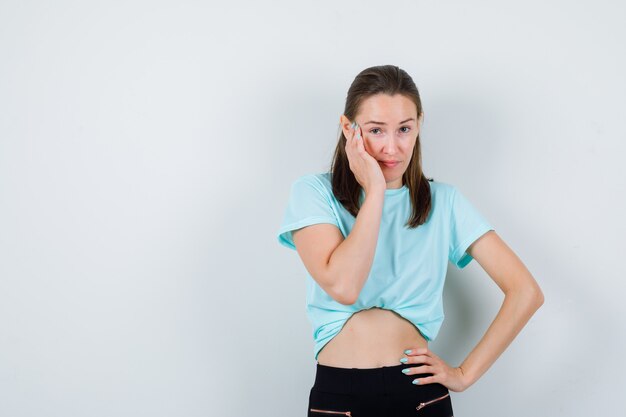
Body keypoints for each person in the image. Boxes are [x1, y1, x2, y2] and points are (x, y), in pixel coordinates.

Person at [276, 64, 544, 417]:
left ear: (419, 123)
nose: (392, 147)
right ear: (348, 129)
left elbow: (526, 291)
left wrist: (463, 374)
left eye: (404, 128)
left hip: (419, 395)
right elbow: (344, 286)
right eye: (375, 130)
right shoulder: (314, 194)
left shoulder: (444, 202)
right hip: (340, 395)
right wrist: (375, 192)